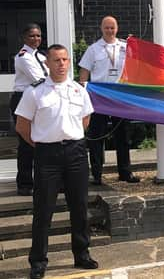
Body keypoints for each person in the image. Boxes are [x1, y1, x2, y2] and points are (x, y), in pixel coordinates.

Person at [15, 44, 99, 279]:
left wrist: (67, 140)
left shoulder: (78, 90)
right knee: (43, 210)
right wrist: (44, 144)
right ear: (47, 63)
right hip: (47, 156)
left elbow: (85, 121)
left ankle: (82, 254)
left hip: (76, 154)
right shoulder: (35, 92)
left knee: (80, 207)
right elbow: (22, 126)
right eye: (56, 60)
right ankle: (38, 262)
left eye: (65, 60)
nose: (61, 64)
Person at [79, 16, 139, 185]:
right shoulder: (93, 49)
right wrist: (84, 95)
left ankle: (125, 172)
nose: (110, 30)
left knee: (123, 136)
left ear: (117, 28)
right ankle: (97, 174)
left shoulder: (125, 47)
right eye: (107, 27)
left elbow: (135, 68)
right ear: (101, 28)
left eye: (112, 27)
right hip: (99, 97)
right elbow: (84, 74)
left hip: (120, 96)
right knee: (97, 136)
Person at [10, 23, 49, 197]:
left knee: (41, 141)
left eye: (39, 36)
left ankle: (44, 181)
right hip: (23, 100)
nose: (36, 39)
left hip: (38, 100)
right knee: (26, 143)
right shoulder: (23, 56)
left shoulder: (40, 56)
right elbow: (41, 78)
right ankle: (25, 184)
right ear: (24, 38)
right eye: (32, 36)